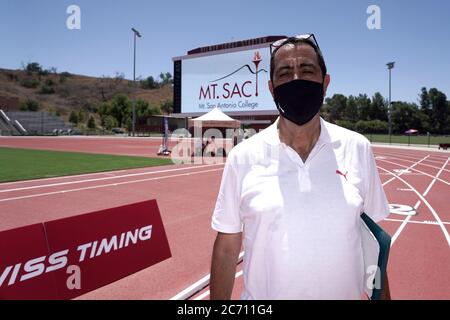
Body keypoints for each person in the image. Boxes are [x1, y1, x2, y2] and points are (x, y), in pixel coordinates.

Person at [210, 34, 391, 300]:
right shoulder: (242, 156)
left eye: (307, 70)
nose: (296, 79)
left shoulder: (358, 148)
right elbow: (226, 248)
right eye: (285, 73)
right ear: (272, 89)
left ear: (325, 83)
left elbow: (372, 246)